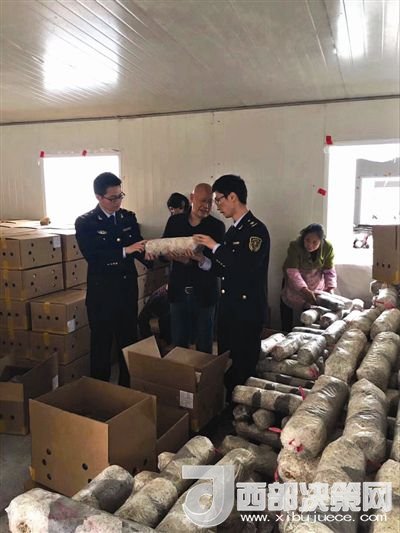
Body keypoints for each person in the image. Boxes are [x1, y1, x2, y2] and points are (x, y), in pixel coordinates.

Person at [194, 174, 270, 400]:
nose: (217, 206)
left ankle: (243, 411)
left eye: (219, 199)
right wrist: (203, 261)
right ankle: (229, 408)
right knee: (228, 363)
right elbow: (224, 269)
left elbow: (244, 266)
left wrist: (214, 246)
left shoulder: (256, 230)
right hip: (229, 307)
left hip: (247, 310)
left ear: (233, 197)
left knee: (244, 366)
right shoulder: (233, 230)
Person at [75, 172, 147, 386]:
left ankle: (127, 390)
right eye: (112, 198)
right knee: (101, 345)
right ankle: (100, 393)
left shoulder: (128, 218)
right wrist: (125, 250)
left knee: (128, 343)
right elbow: (93, 257)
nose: (118, 202)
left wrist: (159, 252)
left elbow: (139, 247)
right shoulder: (86, 222)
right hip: (102, 295)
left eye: (120, 196)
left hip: (126, 292)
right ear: (99, 197)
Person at [161, 183, 225, 354]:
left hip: (205, 291)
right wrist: (174, 256)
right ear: (192, 198)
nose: (206, 206)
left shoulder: (217, 226)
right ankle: (181, 372)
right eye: (202, 201)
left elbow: (219, 265)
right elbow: (163, 252)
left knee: (204, 344)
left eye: (210, 202)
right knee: (179, 343)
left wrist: (200, 259)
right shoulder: (175, 222)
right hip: (178, 289)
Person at [280, 223, 337, 331]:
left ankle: (306, 333)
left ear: (321, 241)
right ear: (303, 238)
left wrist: (330, 288)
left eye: (315, 242)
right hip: (295, 282)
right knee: (287, 312)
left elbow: (329, 271)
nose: (310, 245)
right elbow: (292, 271)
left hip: (315, 282)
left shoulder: (327, 247)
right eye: (307, 240)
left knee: (310, 315)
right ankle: (284, 332)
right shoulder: (295, 246)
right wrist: (304, 290)